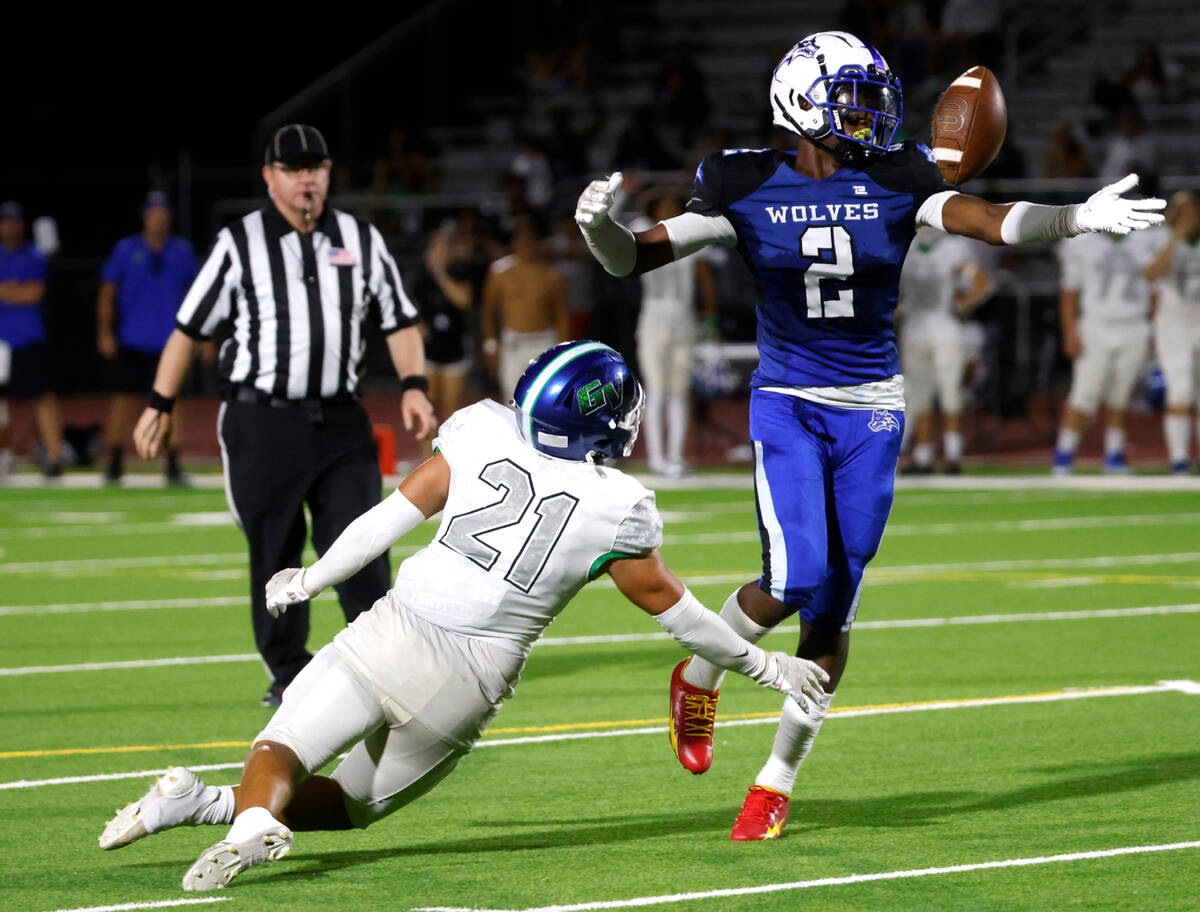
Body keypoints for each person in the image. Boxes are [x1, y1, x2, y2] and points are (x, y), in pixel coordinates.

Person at [575, 31, 1164, 840]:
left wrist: (1075, 218)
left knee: (836, 606)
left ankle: (776, 780)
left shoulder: (896, 174)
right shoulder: (742, 179)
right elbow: (630, 260)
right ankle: (700, 673)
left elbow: (989, 220)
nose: (872, 111)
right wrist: (600, 230)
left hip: (874, 406)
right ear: (800, 101)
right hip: (787, 398)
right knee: (795, 576)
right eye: (853, 95)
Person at [98, 341, 830, 891]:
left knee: (283, 745)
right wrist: (766, 665)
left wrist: (314, 577)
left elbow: (386, 519)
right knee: (353, 808)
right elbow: (682, 616)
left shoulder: (481, 430)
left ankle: (228, 811)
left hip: (394, 625)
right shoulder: (617, 508)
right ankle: (224, 813)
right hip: (469, 679)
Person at [132, 124, 435, 707]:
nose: (306, 179)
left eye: (315, 168)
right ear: (270, 177)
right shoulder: (239, 242)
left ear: (328, 175)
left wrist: (414, 386)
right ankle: (290, 672)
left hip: (341, 420)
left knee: (362, 541)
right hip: (261, 421)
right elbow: (188, 328)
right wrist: (160, 402)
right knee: (275, 549)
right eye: (294, 169)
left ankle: (380, 663)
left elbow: (397, 319)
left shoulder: (359, 239)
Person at [98, 191, 200, 484]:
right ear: (144, 216)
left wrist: (203, 338)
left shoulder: (182, 251)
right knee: (124, 401)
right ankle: (115, 461)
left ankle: (173, 464)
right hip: (133, 338)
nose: (158, 218)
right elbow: (107, 293)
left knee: (172, 403)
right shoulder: (126, 250)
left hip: (172, 341)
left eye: (163, 212)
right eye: (153, 212)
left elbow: (197, 296)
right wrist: (105, 331)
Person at [1051, 227, 1158, 474]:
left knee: (1120, 395)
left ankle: (1114, 454)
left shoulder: (1145, 240)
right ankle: (1064, 455)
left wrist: (1152, 325)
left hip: (1134, 323)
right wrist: (1070, 333)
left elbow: (1155, 288)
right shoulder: (1081, 243)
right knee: (1084, 394)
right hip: (1096, 325)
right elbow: (1069, 293)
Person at [628, 189, 719, 477]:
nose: (667, 209)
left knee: (679, 391)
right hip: (653, 319)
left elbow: (705, 277)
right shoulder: (643, 232)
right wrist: (627, 194)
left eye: (672, 204)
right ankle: (656, 458)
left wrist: (711, 314)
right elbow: (613, 226)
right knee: (656, 390)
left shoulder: (689, 235)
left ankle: (676, 457)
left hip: (684, 319)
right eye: (662, 204)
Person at [897, 227, 994, 474]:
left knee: (950, 393)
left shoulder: (954, 247)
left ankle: (953, 455)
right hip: (915, 327)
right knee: (919, 396)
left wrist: (962, 304)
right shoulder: (905, 246)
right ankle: (923, 456)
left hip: (944, 327)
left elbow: (983, 283)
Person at [0, 200, 64, 477]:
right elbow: (21, 293)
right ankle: (6, 456)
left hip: (27, 337)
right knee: (2, 404)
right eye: (5, 221)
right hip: (0, 341)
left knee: (41, 396)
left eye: (14, 221)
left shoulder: (34, 255)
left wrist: (8, 291)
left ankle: (54, 456)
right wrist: (14, 290)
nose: (9, 226)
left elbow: (33, 293)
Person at [480, 217, 568, 401]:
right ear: (513, 243)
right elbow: (488, 311)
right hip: (513, 344)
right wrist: (490, 345)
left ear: (537, 243)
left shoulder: (550, 275)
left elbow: (561, 315)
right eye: (521, 240)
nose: (525, 245)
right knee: (512, 400)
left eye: (530, 240)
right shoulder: (499, 273)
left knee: (546, 399)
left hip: (544, 343)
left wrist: (563, 350)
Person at [1144, 190, 1200, 474]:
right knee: (1180, 390)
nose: (1189, 217)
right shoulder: (1162, 237)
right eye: (1183, 211)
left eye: (1193, 211)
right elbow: (1151, 274)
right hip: (1174, 322)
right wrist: (1176, 237)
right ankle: (1179, 460)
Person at [415, 230, 473, 452]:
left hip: (454, 349)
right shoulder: (420, 278)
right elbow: (411, 307)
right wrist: (417, 324)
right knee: (426, 407)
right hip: (429, 351)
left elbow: (463, 300)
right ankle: (424, 457)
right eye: (435, 247)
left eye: (443, 247)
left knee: (451, 408)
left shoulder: (459, 272)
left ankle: (451, 456)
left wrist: (440, 274)